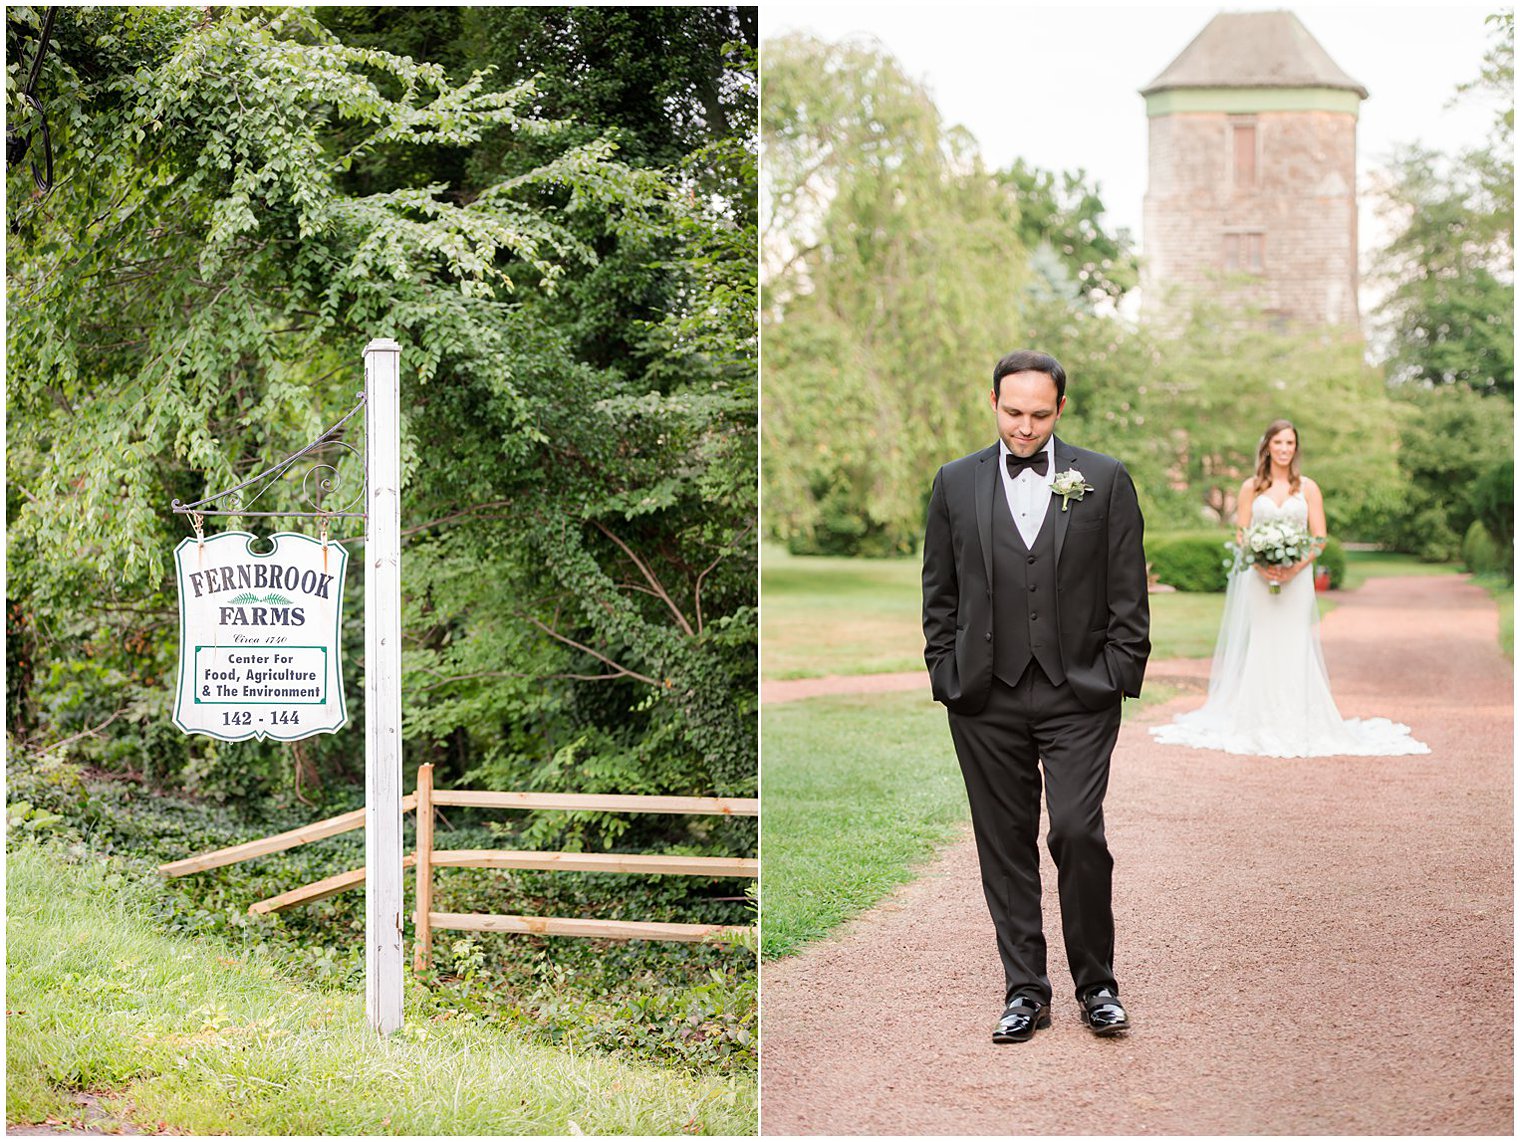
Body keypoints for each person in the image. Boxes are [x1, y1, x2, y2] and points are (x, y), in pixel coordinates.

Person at [921, 349, 1150, 1044]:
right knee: (1005, 843)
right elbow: (939, 592)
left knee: (1078, 832)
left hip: (1078, 692)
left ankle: (1098, 985)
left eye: (1039, 415)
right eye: (1013, 412)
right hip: (983, 700)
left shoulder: (1104, 480)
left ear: (1061, 409)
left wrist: (1117, 671)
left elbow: (1127, 592)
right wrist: (945, 672)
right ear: (993, 402)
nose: (1025, 428)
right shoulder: (955, 484)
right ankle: (1025, 991)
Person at [1149, 419, 1429, 758]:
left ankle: (1300, 719)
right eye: (1279, 442)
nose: (1284, 449)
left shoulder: (1307, 487)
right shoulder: (1251, 487)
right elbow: (1242, 534)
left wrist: (1295, 567)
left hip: (1297, 583)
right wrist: (1260, 564)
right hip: (1259, 580)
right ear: (1267, 446)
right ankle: (1257, 720)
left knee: (1296, 643)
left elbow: (1321, 537)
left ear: (1296, 449)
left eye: (1290, 444)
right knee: (1263, 644)